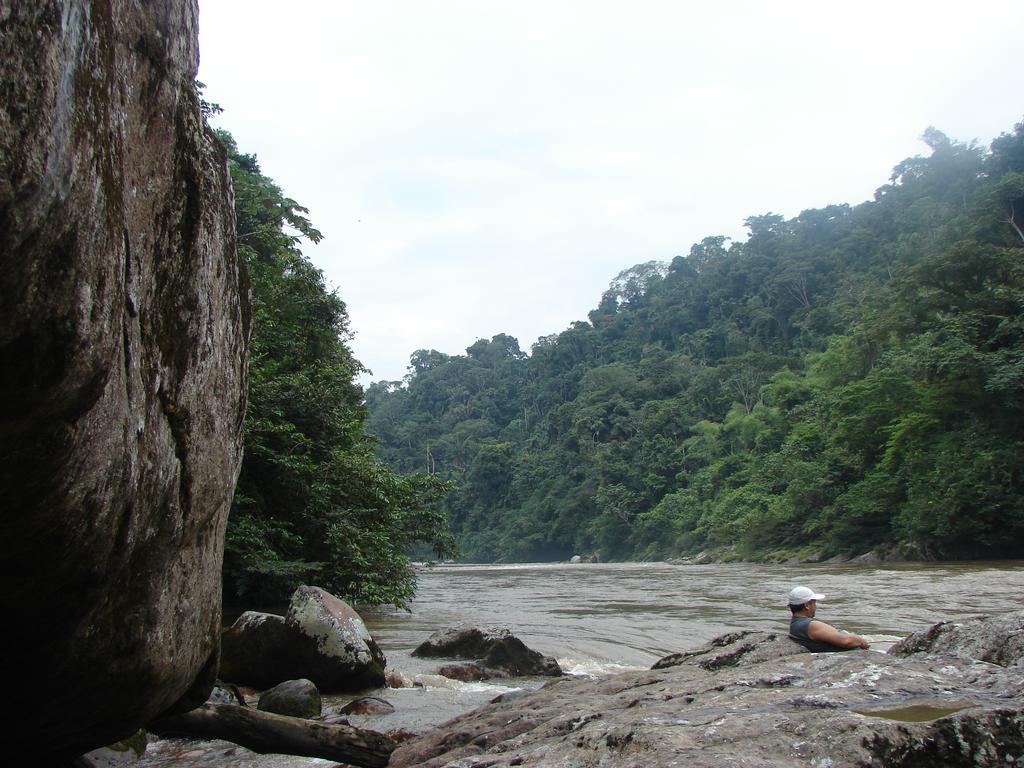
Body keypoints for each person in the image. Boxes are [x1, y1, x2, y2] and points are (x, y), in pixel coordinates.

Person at [787, 586, 870, 652]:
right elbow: (846, 641)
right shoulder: (810, 625)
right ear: (807, 605)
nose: (815, 606)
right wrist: (861, 641)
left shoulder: (795, 624)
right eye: (814, 603)